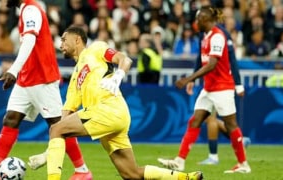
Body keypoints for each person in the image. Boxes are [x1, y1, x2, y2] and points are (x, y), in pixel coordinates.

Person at [44, 26, 203, 180]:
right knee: (131, 174)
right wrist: (49, 151)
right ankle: (186, 177)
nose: (60, 45)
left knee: (56, 129)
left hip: (108, 109)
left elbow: (124, 59)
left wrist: (118, 75)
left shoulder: (95, 49)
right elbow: (64, 122)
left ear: (77, 39)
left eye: (64, 40)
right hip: (107, 118)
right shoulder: (74, 78)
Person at [0, 0, 92, 179]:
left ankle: (82, 171)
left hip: (42, 78)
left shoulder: (31, 9)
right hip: (27, 78)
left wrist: (13, 70)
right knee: (11, 119)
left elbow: (30, 40)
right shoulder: (25, 10)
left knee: (60, 125)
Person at [157, 7, 251, 174]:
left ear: (206, 20)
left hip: (222, 88)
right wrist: (193, 80)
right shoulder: (205, 37)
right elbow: (202, 61)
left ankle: (243, 164)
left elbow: (212, 64)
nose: (195, 23)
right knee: (195, 121)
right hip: (209, 88)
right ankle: (180, 161)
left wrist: (189, 79)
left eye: (198, 19)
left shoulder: (217, 37)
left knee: (231, 125)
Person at [183, 16, 251, 165]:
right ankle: (237, 140)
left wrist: (238, 83)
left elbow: (232, 58)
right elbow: (200, 58)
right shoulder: (204, 34)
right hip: (209, 83)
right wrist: (193, 79)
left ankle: (214, 156)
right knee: (209, 119)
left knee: (212, 119)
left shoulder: (222, 34)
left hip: (221, 84)